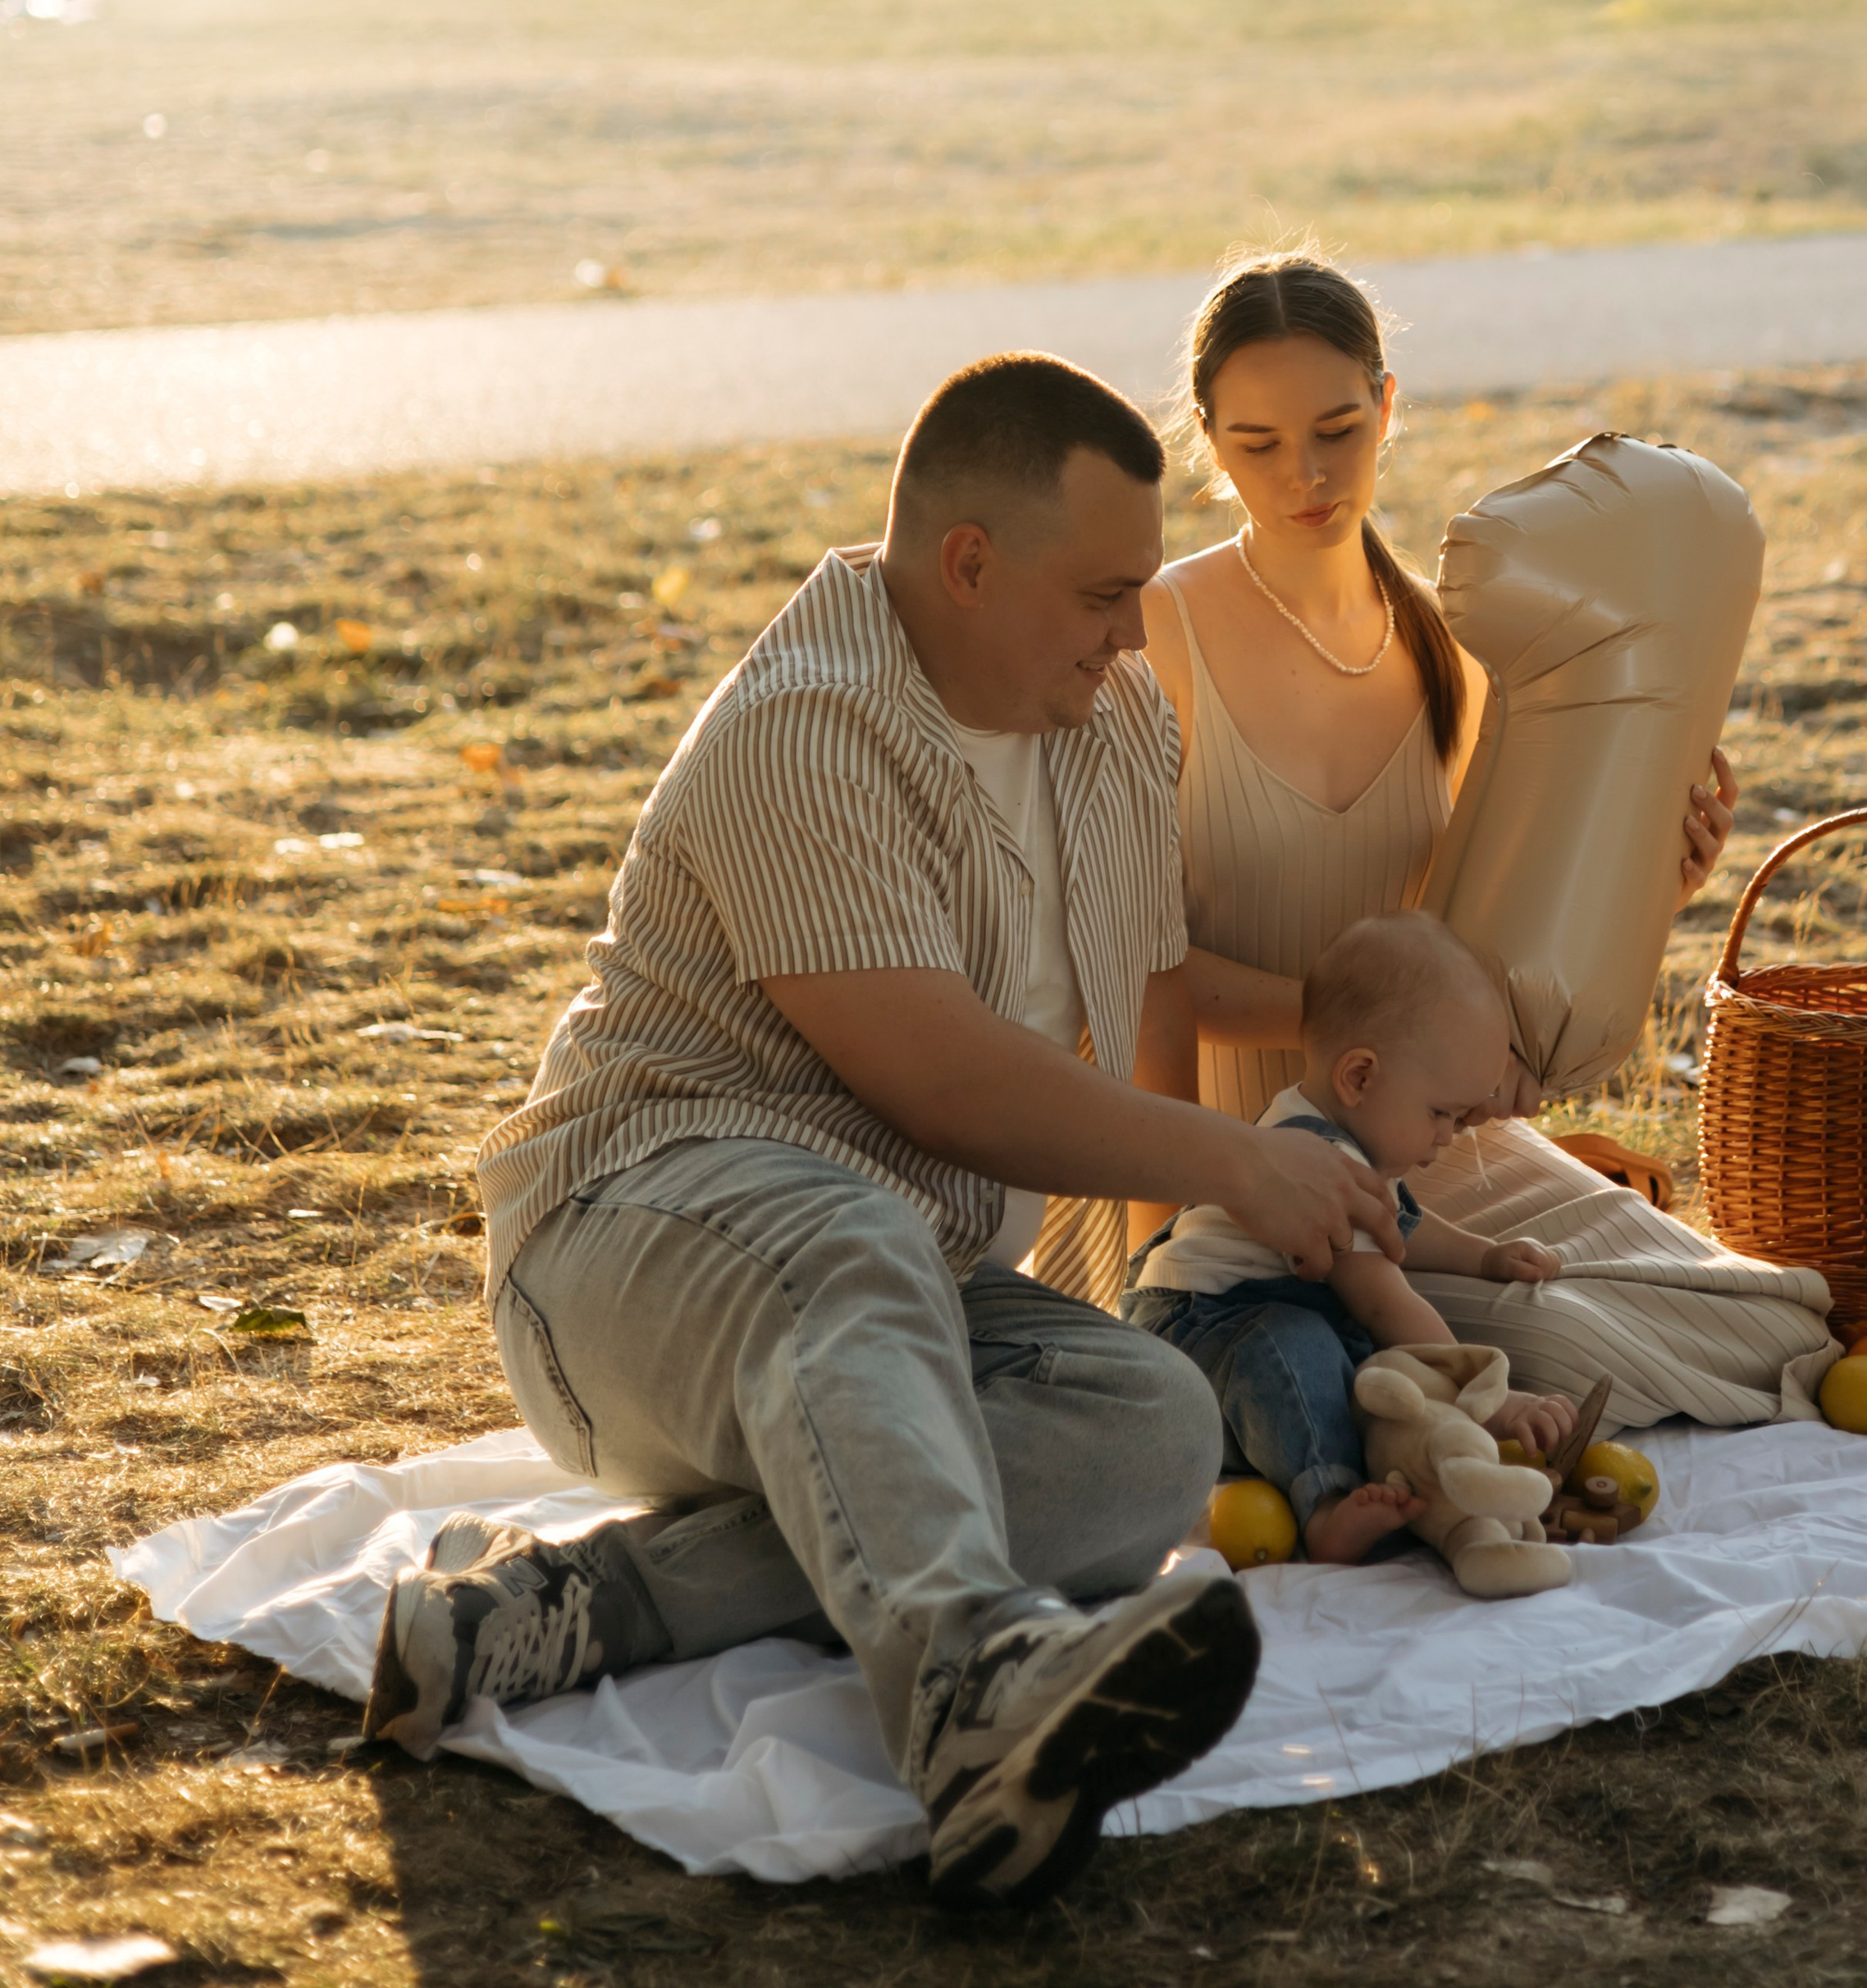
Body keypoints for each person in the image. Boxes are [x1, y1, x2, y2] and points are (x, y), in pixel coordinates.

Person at [363, 353, 1414, 1910]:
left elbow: (1132, 1033)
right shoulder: (808, 727)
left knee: (1149, 1429)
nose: (1138, 630)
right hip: (623, 1250)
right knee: (847, 1229)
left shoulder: (1116, 723)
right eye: (1103, 592)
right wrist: (1236, 1158)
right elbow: (945, 1080)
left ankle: (586, 1606)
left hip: (892, 1287)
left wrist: (1143, 1281)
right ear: (970, 564)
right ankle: (971, 1694)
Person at [1137, 250, 1839, 1429]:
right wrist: (1155, 1208)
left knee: (1773, 1318)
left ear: (1389, 406)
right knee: (1566, 1341)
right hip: (1229, 1161)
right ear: (1206, 437)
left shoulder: (1460, 644)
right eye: (1256, 444)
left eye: (1339, 428)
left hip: (1425, 1145)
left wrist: (1651, 882)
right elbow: (1141, 972)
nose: (1305, 474)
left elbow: (1493, 943)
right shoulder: (1159, 631)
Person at [1124, 913, 1576, 1562]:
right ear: (1360, 1077)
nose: (1452, 1135)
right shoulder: (1309, 1153)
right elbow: (1382, 1298)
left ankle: (1432, 1474)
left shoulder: (1354, 1148)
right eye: (1440, 1113)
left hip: (1252, 1326)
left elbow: (1399, 1233)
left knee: (1373, 1371)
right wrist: (1490, 1396)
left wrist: (1485, 1255)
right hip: (1198, 1335)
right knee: (1302, 1344)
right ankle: (1327, 1506)